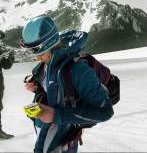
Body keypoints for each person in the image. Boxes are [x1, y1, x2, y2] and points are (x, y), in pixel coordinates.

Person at [21, 16, 114, 153]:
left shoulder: (78, 70)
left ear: (50, 44)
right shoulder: (47, 64)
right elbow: (56, 91)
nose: (37, 58)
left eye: (39, 52)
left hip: (63, 145)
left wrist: (56, 115)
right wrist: (38, 88)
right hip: (44, 138)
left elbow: (105, 111)